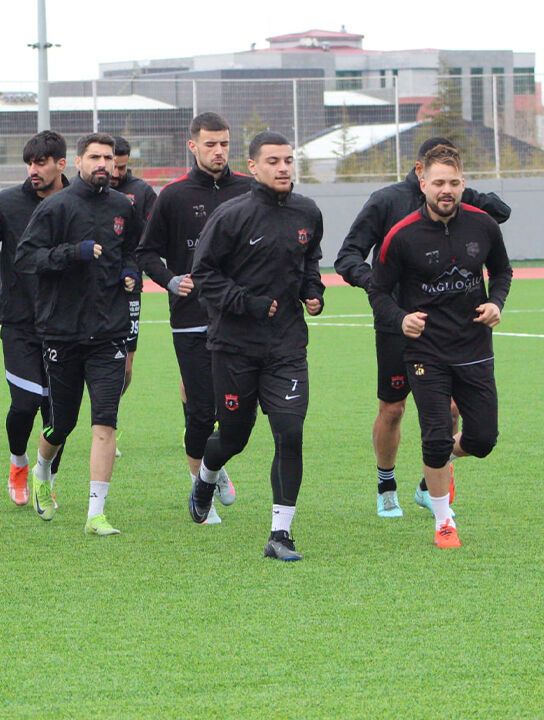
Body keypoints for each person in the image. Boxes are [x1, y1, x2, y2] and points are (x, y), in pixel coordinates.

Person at [335, 136, 511, 518]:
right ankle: (386, 485)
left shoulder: (458, 203)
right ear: (420, 172)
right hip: (397, 323)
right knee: (393, 408)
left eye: (453, 179)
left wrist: (461, 192)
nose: (446, 187)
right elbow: (347, 256)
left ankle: (429, 483)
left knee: (451, 409)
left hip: (450, 329)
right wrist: (379, 286)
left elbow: (503, 212)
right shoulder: (386, 202)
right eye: (437, 179)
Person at [189, 132, 324, 562]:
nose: (283, 168)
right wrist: (247, 303)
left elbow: (309, 260)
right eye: (273, 161)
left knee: (290, 433)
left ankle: (280, 534)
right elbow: (203, 275)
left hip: (287, 346)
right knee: (233, 437)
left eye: (288, 160)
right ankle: (207, 476)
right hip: (234, 346)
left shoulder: (307, 212)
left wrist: (313, 291)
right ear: (253, 166)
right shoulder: (231, 216)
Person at [13, 132, 143, 536]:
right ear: (78, 162)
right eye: (95, 157)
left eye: (108, 157)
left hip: (109, 333)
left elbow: (133, 251)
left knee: (105, 423)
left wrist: (130, 273)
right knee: (63, 423)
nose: (103, 163)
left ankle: (96, 514)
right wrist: (73, 253)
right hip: (63, 333)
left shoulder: (123, 207)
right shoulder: (56, 207)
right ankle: (42, 469)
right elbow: (25, 258)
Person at [136, 112, 252, 523]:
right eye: (210, 144)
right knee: (203, 411)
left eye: (224, 144)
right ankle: (201, 488)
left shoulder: (249, 190)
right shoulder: (173, 196)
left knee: (234, 411)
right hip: (191, 317)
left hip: (239, 317)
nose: (218, 151)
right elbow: (146, 253)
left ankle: (211, 464)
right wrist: (170, 281)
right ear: (193, 146)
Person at [0, 131, 69, 505]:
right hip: (20, 322)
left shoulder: (77, 201)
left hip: (68, 326)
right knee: (25, 403)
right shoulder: (7, 203)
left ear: (61, 164)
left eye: (41, 163)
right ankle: (18, 462)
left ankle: (45, 477)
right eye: (29, 163)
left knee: (58, 412)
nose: (33, 170)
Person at [110, 136, 158, 450]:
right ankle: (104, 423)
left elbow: (151, 235)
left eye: (123, 167)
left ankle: (107, 414)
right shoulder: (86, 189)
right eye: (113, 166)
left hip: (129, 287)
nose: (116, 173)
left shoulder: (141, 192)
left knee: (126, 368)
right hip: (93, 288)